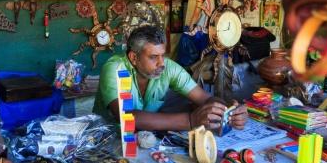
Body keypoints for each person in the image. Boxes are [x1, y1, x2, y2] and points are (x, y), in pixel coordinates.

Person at [93, 25, 248, 131]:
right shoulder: (115, 68)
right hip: (107, 138)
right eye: (154, 57)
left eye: (163, 55)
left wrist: (230, 110)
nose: (161, 63)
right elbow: (127, 117)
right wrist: (190, 121)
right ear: (134, 57)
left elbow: (204, 98)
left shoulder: (167, 67)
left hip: (145, 138)